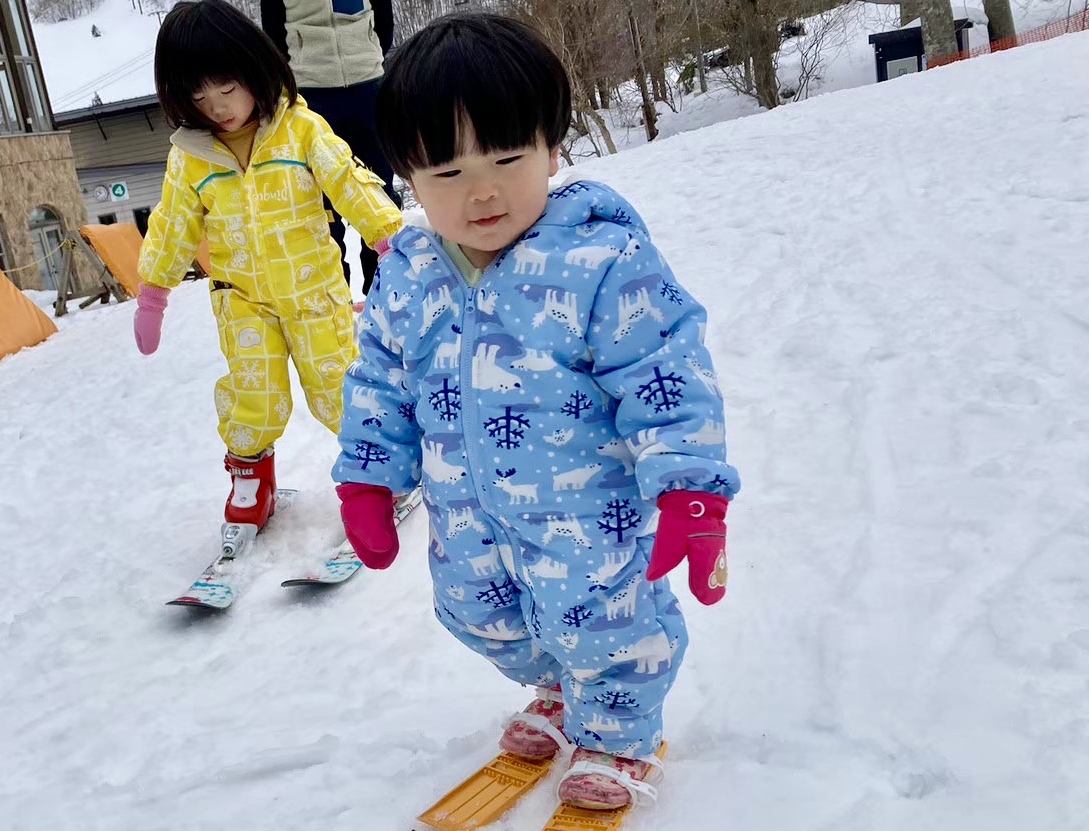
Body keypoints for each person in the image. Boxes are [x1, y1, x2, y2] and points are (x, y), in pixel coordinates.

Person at [330, 12, 741, 811]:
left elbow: (665, 373)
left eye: (507, 158)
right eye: (445, 173)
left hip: (586, 516)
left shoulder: (599, 259)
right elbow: (378, 379)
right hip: (468, 518)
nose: (480, 190)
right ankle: (556, 690)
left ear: (553, 150)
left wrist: (691, 489)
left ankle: (618, 729)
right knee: (479, 614)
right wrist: (367, 480)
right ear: (406, 179)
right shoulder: (409, 273)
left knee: (603, 621)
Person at [135, 0, 403, 530]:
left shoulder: (301, 129)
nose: (218, 107)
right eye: (199, 96)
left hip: (313, 290)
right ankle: (251, 473)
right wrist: (154, 293)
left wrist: (387, 238)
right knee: (254, 394)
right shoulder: (191, 157)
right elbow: (173, 223)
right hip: (243, 298)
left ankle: (373, 472)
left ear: (256, 68)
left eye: (227, 88)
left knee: (336, 388)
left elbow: (350, 180)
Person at [261, 0, 401, 296]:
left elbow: (384, 23)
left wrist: (367, 54)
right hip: (312, 93)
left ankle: (385, 286)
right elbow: (272, 34)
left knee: (379, 190)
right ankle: (334, 292)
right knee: (322, 202)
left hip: (368, 86)